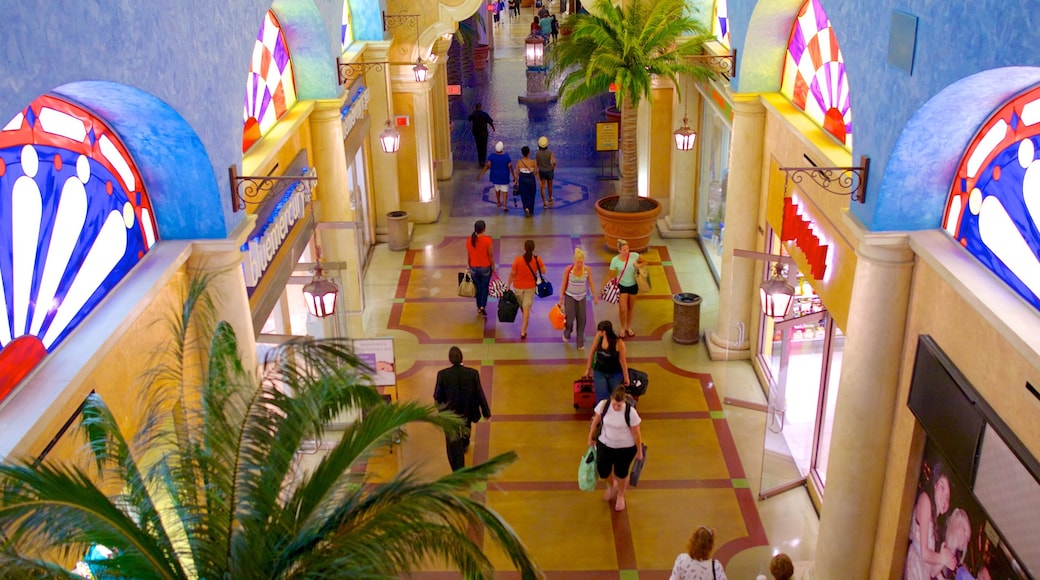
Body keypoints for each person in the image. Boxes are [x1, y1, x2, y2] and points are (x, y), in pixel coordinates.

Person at [433, 346, 491, 471]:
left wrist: (441, 412)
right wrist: (486, 412)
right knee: (466, 426)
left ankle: (458, 468)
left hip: (450, 414)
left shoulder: (443, 375)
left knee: (452, 443)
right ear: (462, 358)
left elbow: (437, 396)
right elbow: (479, 393)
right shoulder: (472, 373)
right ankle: (465, 441)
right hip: (467, 411)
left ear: (449, 359)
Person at [588, 386, 642, 512]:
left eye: (619, 405)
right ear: (611, 399)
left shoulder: (630, 412)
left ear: (624, 401)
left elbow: (636, 433)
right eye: (614, 404)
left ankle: (620, 495)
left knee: (621, 473)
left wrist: (639, 451)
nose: (616, 407)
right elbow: (595, 421)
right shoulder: (604, 406)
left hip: (625, 448)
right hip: (605, 443)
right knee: (602, 469)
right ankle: (613, 484)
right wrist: (590, 438)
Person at [905, 463, 956, 580]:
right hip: (914, 568)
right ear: (934, 485)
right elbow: (924, 553)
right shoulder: (925, 501)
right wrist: (942, 558)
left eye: (948, 497)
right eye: (942, 488)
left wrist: (945, 560)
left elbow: (932, 571)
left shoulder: (934, 522)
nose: (944, 497)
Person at [605, 239, 646, 338]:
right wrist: (604, 287)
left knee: (630, 308)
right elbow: (609, 275)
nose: (626, 251)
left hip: (633, 285)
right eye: (623, 250)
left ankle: (629, 327)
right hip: (622, 286)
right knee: (623, 309)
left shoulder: (634, 256)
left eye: (627, 249)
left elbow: (645, 262)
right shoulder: (615, 260)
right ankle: (623, 327)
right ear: (619, 250)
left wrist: (638, 265)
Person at [507, 239, 546, 340]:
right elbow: (544, 271)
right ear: (533, 249)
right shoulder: (537, 259)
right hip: (530, 287)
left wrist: (508, 285)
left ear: (524, 248)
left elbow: (512, 274)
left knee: (524, 308)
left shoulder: (518, 260)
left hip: (518, 288)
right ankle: (523, 331)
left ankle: (524, 325)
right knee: (526, 308)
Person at [559, 247, 597, 349]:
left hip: (582, 297)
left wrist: (595, 296)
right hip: (570, 296)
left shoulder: (587, 270)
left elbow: (591, 283)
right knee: (570, 319)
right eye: (578, 262)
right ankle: (567, 332)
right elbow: (563, 283)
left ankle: (580, 342)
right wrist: (561, 298)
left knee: (582, 319)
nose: (580, 264)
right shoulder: (568, 270)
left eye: (581, 262)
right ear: (574, 261)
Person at [584, 320, 629, 404]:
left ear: (604, 332)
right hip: (600, 371)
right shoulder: (598, 338)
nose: (598, 332)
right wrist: (588, 368)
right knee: (601, 397)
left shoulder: (618, 343)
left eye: (599, 331)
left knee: (615, 396)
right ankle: (602, 413)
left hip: (615, 373)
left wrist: (626, 377)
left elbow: (622, 361)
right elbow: (592, 352)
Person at [465, 220, 495, 317]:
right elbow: (490, 255)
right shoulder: (488, 240)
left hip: (473, 268)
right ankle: (483, 306)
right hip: (485, 268)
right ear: (484, 229)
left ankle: (478, 307)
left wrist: (468, 265)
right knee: (484, 287)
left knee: (477, 287)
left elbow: (469, 254)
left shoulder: (469, 240)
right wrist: (493, 266)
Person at [478, 141, 514, 212]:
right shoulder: (506, 157)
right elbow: (510, 166)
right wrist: (514, 176)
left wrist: (481, 174)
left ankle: (498, 202)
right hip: (504, 177)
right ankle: (504, 206)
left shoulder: (492, 156)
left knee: (497, 189)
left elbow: (487, 165)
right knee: (505, 191)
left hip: (495, 177)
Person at [467, 103, 495, 168]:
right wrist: (493, 128)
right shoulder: (484, 114)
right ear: (481, 107)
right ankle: (483, 160)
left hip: (476, 133)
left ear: (476, 108)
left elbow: (469, 118)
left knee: (478, 147)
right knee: (484, 147)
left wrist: (473, 112)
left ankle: (480, 160)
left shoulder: (474, 114)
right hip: (484, 133)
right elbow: (490, 121)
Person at [515, 145, 539, 217]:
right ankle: (530, 210)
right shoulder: (533, 162)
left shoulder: (519, 162)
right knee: (531, 194)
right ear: (529, 153)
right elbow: (535, 172)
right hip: (531, 179)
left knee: (524, 194)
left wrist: (516, 181)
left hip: (522, 179)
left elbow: (517, 173)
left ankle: (526, 208)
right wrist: (539, 181)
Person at [535, 136, 557, 208]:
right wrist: (553, 168)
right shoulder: (550, 152)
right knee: (550, 185)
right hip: (549, 170)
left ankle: (544, 202)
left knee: (542, 187)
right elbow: (554, 162)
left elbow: (537, 164)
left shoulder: (537, 153)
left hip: (542, 171)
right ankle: (550, 198)